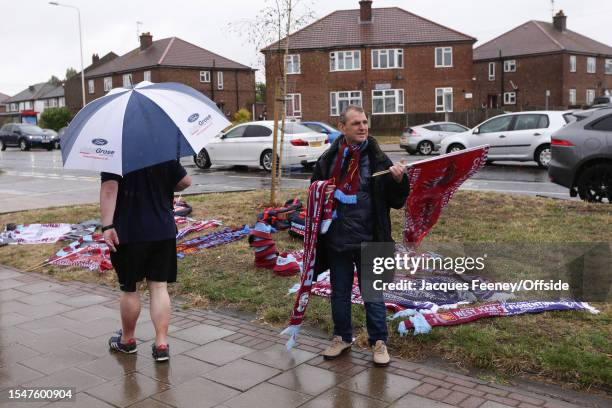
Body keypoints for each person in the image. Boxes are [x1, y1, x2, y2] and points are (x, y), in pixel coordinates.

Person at [311, 105, 409, 366]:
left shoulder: (379, 160)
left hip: (371, 238)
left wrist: (400, 181)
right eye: (356, 123)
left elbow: (397, 201)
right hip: (338, 240)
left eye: (365, 122)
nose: (363, 127)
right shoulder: (329, 160)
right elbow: (313, 192)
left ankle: (379, 342)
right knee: (339, 292)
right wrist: (323, 190)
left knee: (373, 294)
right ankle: (342, 337)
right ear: (342, 127)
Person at [100, 160, 191, 362]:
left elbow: (109, 189)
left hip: (128, 232)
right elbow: (185, 181)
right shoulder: (162, 152)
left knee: (130, 288)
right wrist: (163, 183)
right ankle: (161, 344)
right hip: (162, 229)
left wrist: (107, 227)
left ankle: (127, 341)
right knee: (159, 286)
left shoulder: (115, 154)